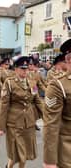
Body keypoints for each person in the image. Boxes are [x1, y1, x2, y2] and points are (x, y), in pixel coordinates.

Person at [0, 56, 43, 168]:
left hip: (28, 123)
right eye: (22, 68)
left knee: (25, 154)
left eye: (26, 68)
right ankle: (9, 166)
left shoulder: (32, 82)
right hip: (14, 123)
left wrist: (48, 116)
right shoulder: (9, 83)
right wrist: (1, 127)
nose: (25, 71)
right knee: (16, 155)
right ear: (16, 69)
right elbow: (4, 105)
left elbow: (37, 100)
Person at [43, 38, 71, 168]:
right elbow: (51, 125)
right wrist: (50, 160)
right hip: (67, 150)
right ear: (68, 59)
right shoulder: (57, 83)